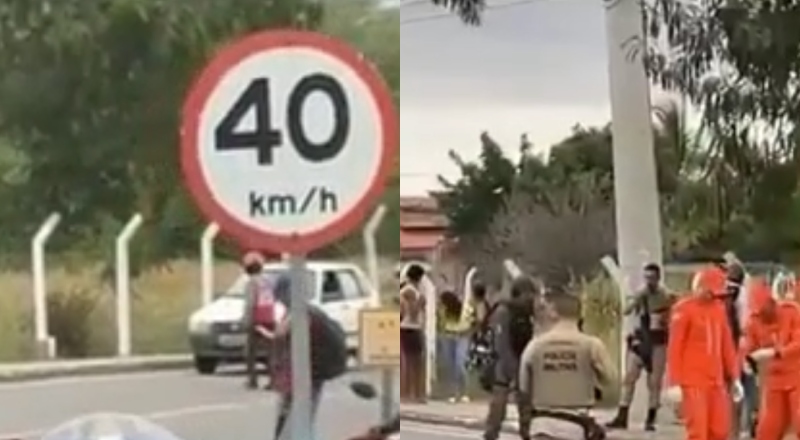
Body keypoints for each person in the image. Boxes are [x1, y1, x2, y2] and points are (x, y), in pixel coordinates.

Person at [518, 288, 615, 440]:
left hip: (541, 424)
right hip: (575, 425)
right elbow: (610, 378)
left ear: (553, 313)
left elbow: (524, 386)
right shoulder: (591, 345)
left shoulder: (535, 346)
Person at [264, 275, 349, 440]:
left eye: (279, 295)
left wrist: (269, 335)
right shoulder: (309, 310)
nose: (279, 301)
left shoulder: (299, 312)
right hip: (313, 371)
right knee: (303, 416)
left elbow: (281, 333)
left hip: (305, 374)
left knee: (295, 419)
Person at [664, 266, 744, 440]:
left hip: (716, 380)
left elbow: (727, 345)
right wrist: (675, 382)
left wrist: (735, 377)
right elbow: (675, 348)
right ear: (700, 288)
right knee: (698, 432)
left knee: (720, 430)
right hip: (693, 381)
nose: (713, 296)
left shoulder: (718, 309)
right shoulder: (683, 309)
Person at [607, 263, 675, 431]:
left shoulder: (666, 296)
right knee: (629, 378)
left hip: (658, 342)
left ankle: (651, 418)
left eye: (652, 278)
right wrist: (636, 298)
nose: (649, 282)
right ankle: (622, 415)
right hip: (640, 339)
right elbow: (626, 311)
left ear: (658, 278)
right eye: (646, 278)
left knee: (654, 382)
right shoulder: (641, 294)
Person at [741, 278, 800, 440]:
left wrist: (776, 352)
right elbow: (749, 347)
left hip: (796, 376)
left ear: (771, 302)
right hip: (774, 380)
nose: (761, 314)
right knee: (768, 429)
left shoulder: (791, 312)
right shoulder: (753, 321)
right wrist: (747, 361)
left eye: (763, 309)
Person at [483, 277, 536, 440]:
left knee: (526, 407)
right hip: (503, 365)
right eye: (529, 294)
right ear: (519, 294)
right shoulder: (503, 312)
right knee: (499, 405)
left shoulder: (528, 313)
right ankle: (491, 434)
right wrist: (513, 372)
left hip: (523, 361)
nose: (532, 298)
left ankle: (526, 433)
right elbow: (501, 344)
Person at [240, 251, 276, 390]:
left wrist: (247, 320)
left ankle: (252, 379)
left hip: (256, 318)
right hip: (269, 317)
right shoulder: (267, 281)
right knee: (271, 351)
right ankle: (273, 379)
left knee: (250, 351)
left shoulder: (251, 283)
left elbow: (250, 303)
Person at [400, 264, 427, 402]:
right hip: (410, 328)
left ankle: (412, 394)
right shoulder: (409, 291)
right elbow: (413, 312)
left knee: (413, 361)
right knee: (414, 362)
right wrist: (421, 302)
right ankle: (412, 394)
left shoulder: (410, 290)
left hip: (412, 328)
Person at [437, 289, 470, 402]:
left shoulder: (464, 309)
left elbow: (469, 322)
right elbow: (441, 325)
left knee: (459, 364)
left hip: (461, 336)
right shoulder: (443, 311)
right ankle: (454, 392)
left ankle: (464, 391)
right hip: (448, 336)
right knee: (450, 365)